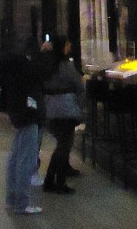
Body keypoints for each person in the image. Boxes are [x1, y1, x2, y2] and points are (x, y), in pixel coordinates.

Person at [1, 45, 45, 215]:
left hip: (19, 115)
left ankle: (11, 199)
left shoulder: (12, 74)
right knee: (26, 160)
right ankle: (21, 203)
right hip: (29, 116)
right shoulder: (25, 71)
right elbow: (41, 77)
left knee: (16, 158)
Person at [41, 36, 85, 194]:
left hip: (52, 108)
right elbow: (79, 86)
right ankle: (58, 182)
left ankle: (50, 180)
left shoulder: (48, 66)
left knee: (61, 145)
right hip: (66, 109)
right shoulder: (66, 66)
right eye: (67, 44)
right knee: (64, 146)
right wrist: (79, 107)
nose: (70, 46)